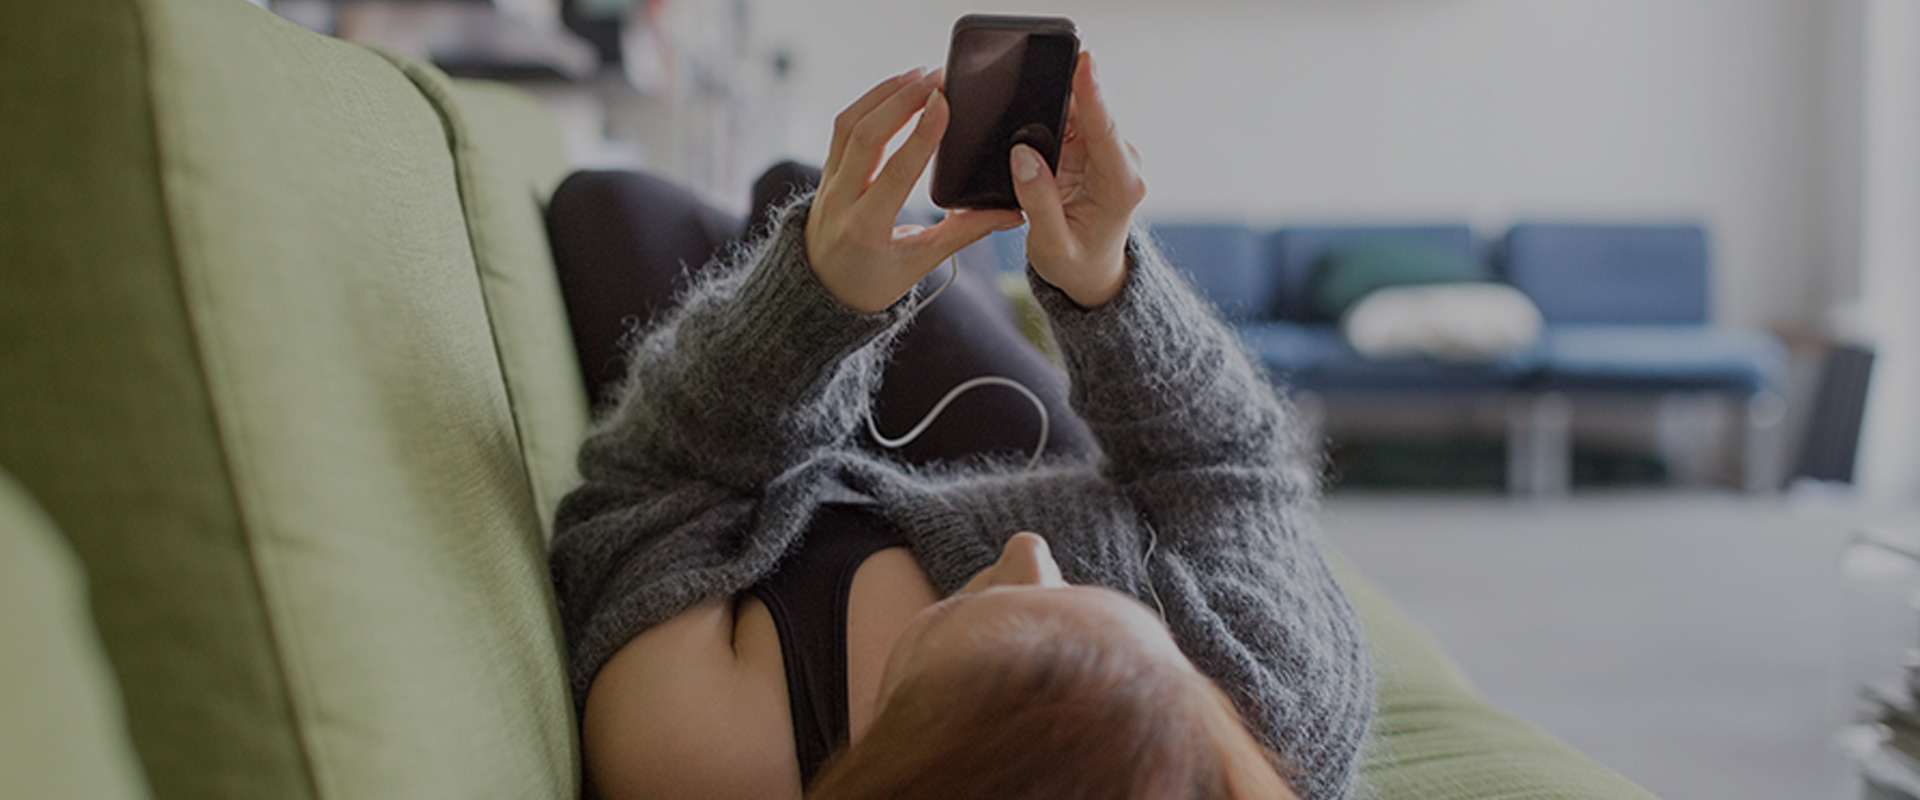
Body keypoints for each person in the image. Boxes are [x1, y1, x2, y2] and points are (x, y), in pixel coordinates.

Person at [548, 52, 1375, 800]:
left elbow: (646, 491)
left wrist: (811, 303)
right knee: (801, 184)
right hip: (1018, 445)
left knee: (607, 207)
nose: (1032, 552)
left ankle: (928, 267)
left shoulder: (701, 757)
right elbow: (1222, 465)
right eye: (1103, 608)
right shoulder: (1276, 715)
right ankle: (963, 262)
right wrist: (1105, 284)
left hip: (767, 507)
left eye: (1017, 618)